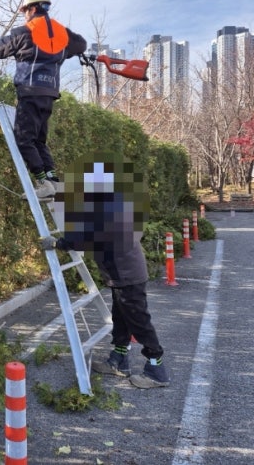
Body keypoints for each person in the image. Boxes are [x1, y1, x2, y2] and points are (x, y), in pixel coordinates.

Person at [39, 155, 170, 389]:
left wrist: (59, 243)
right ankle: (119, 361)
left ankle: (156, 368)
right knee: (121, 319)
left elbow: (89, 237)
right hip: (119, 275)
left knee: (139, 321)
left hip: (127, 275)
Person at [0, 0, 87, 199]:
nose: (24, 15)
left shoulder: (23, 32)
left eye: (25, 11)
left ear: (32, 8)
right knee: (39, 140)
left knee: (23, 139)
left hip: (29, 91)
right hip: (49, 94)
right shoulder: (62, 33)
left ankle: (43, 182)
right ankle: (53, 182)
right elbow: (81, 45)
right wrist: (66, 51)